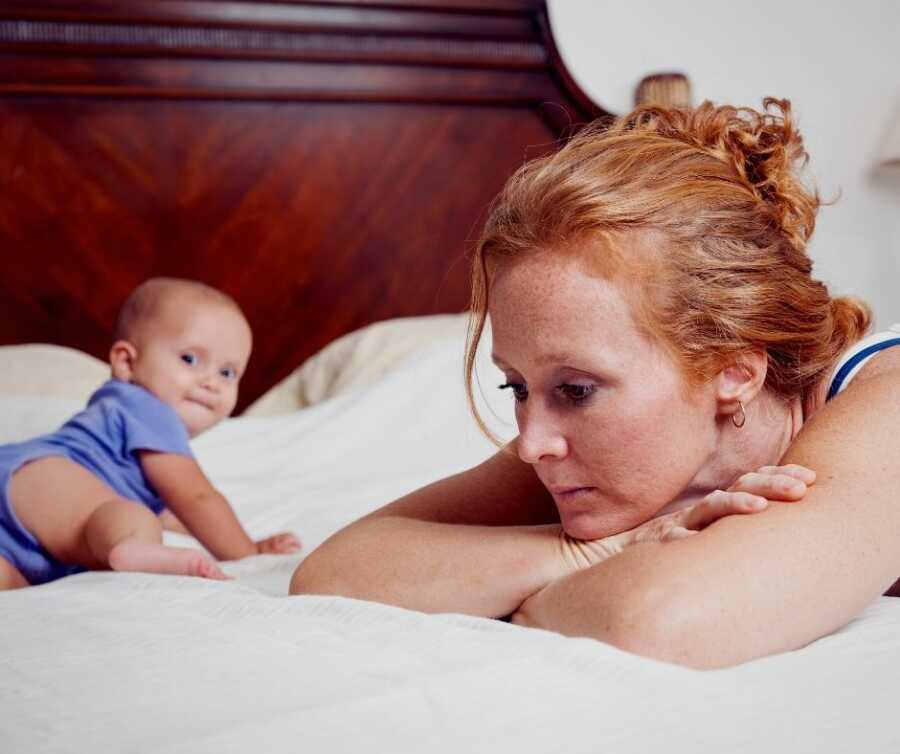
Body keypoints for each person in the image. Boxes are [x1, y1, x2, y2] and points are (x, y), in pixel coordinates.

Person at [289, 98, 900, 669]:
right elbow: (333, 573)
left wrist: (530, 601)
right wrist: (580, 554)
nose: (532, 445)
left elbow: (657, 619)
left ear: (734, 373)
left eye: (576, 391)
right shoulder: (594, 457)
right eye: (517, 389)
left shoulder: (884, 407)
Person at [0, 277, 300, 589]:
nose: (211, 382)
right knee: (132, 521)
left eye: (227, 372)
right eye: (190, 359)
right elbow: (196, 497)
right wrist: (247, 552)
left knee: (13, 582)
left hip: (25, 519)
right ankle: (130, 547)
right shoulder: (148, 408)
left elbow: (171, 512)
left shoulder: (123, 413)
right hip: (42, 475)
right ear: (128, 362)